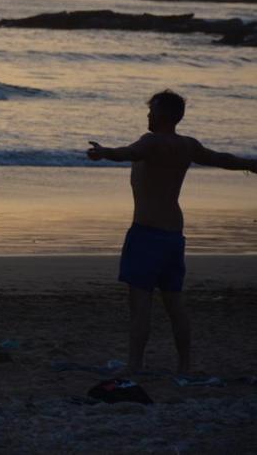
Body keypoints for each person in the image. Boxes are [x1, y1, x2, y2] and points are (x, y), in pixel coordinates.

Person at [87, 90, 257, 375]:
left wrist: (104, 153)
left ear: (164, 115)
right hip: (173, 235)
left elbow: (129, 153)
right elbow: (222, 159)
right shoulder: (188, 145)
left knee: (140, 305)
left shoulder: (151, 141)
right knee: (175, 303)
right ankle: (184, 366)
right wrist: (251, 164)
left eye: (152, 110)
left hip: (146, 232)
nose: (148, 115)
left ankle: (134, 367)